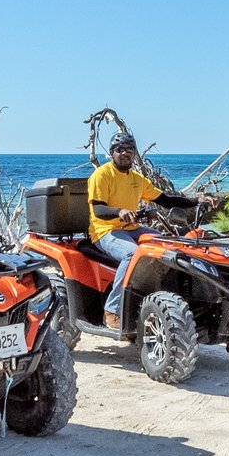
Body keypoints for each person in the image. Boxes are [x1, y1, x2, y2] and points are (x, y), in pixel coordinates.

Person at [88, 131, 163, 326]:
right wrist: (119, 211)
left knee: (164, 243)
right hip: (105, 231)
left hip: (131, 228)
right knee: (132, 253)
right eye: (119, 149)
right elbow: (98, 209)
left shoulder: (137, 179)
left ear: (134, 154)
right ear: (112, 152)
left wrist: (197, 200)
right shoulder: (102, 174)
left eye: (129, 149)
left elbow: (164, 198)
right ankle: (112, 309)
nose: (125, 153)